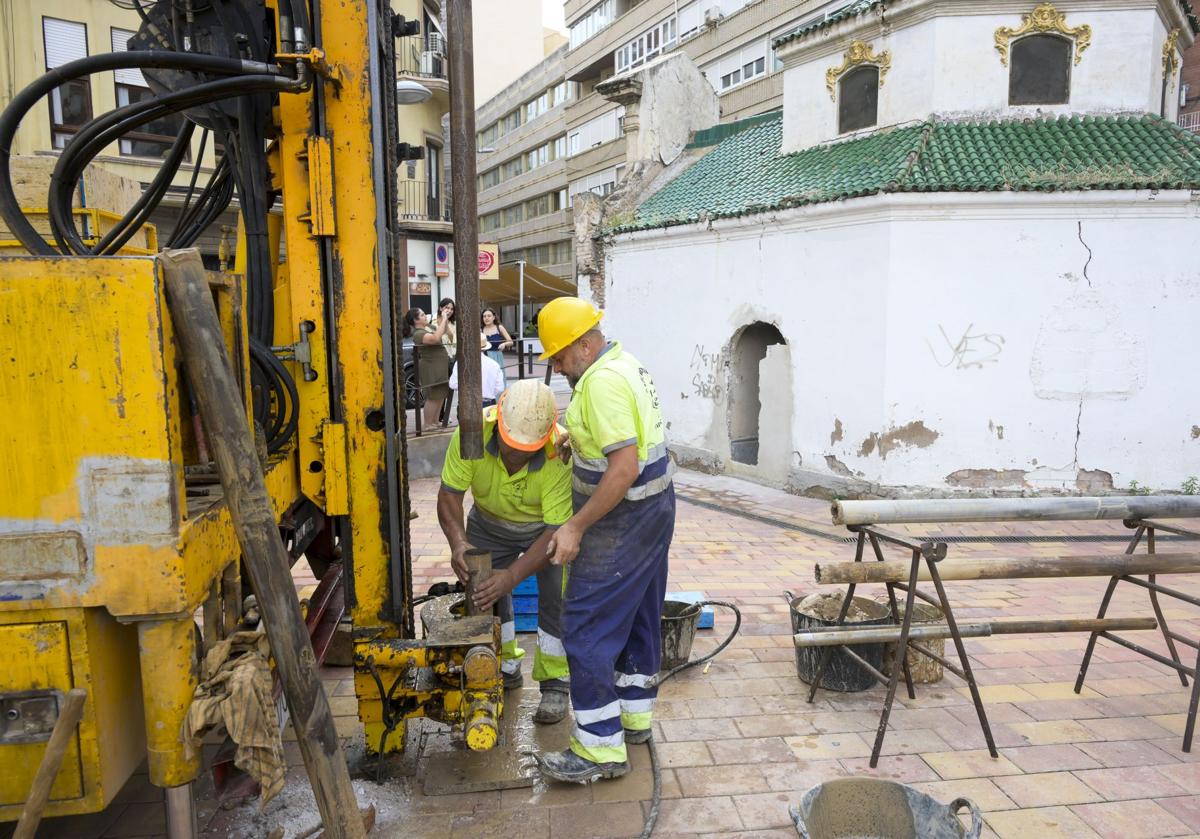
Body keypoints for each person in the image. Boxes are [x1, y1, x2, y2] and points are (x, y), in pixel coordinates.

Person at [528, 296, 675, 784]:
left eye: (560, 356)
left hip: (620, 522)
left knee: (586, 626)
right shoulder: (622, 363)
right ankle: (633, 720)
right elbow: (621, 439)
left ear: (586, 345)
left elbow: (624, 468)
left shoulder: (601, 384)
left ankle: (598, 750)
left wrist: (575, 526)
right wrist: (576, 438)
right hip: (655, 512)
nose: (555, 364)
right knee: (637, 614)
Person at [437, 380, 572, 724]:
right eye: (510, 446)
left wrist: (512, 576)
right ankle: (504, 665)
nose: (515, 456)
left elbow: (555, 532)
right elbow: (449, 495)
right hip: (488, 522)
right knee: (484, 594)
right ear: (497, 423)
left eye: (525, 450)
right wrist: (458, 543)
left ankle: (555, 683)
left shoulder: (559, 451)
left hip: (544, 530)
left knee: (557, 594)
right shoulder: (473, 433)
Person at [404, 304, 452, 427]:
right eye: (422, 315)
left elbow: (445, 332)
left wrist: (444, 318)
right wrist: (444, 319)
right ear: (415, 320)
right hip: (431, 366)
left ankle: (435, 422)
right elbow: (435, 339)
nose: (425, 316)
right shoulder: (418, 333)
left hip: (440, 365)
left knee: (441, 394)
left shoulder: (429, 327)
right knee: (433, 396)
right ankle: (428, 424)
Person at [449, 334, 505, 408]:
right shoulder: (495, 365)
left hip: (466, 402)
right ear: (485, 348)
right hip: (488, 403)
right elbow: (500, 388)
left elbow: (453, 384)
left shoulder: (460, 363)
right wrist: (488, 393)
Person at [481, 307, 513, 386]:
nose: (486, 318)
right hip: (484, 357)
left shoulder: (500, 327)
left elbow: (511, 342)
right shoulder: (480, 329)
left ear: (494, 317)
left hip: (497, 357)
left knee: (498, 380)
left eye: (489, 316)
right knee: (487, 380)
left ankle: (499, 398)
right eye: (484, 316)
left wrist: (504, 344)